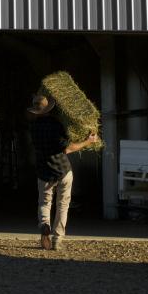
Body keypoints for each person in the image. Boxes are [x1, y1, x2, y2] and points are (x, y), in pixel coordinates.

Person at [27, 92, 98, 250]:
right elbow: (67, 148)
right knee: (62, 205)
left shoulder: (33, 127)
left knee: (44, 203)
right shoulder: (56, 125)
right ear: (49, 109)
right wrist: (88, 141)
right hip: (62, 170)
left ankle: (44, 225)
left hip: (43, 171)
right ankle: (57, 239)